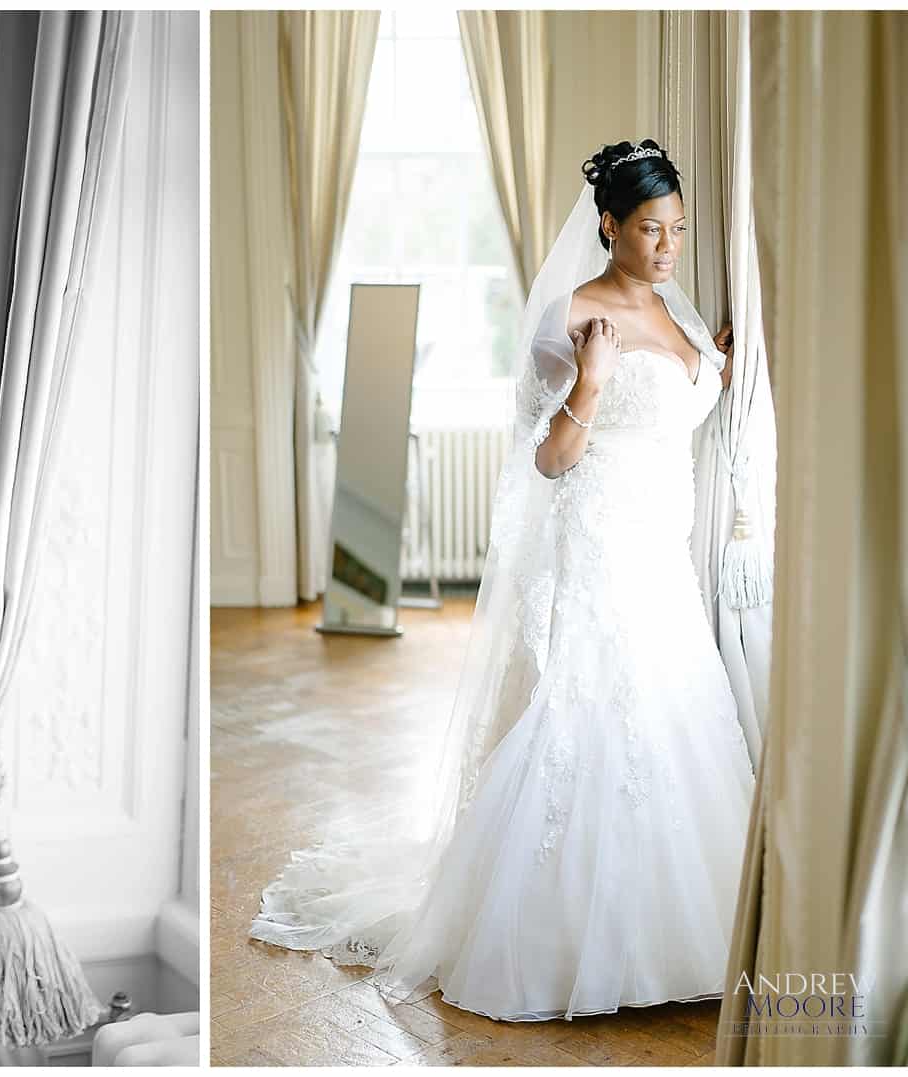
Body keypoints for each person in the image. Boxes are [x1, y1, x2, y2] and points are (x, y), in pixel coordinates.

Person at [250, 140, 755, 1023]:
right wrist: (593, 385)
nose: (669, 245)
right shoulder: (571, 315)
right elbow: (550, 460)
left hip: (663, 550)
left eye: (677, 229)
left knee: (675, 710)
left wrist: (713, 357)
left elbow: (684, 399)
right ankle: (565, 939)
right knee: (594, 713)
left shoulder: (675, 305)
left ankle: (695, 933)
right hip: (599, 542)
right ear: (608, 226)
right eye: (650, 229)